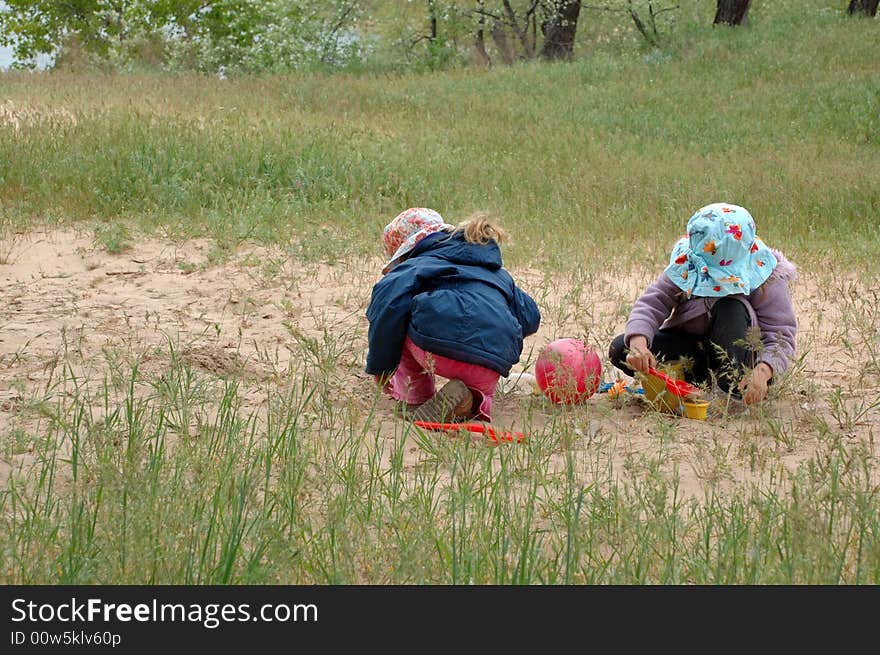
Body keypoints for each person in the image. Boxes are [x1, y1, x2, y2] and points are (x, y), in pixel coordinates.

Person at [608, 203, 797, 405]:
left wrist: (764, 370)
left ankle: (730, 389)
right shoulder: (688, 265)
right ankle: (691, 381)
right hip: (694, 351)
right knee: (622, 347)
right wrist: (638, 345)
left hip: (744, 359)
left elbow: (780, 336)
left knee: (730, 306)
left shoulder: (767, 277)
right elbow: (652, 304)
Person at [366, 207, 541, 423]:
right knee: (479, 380)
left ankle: (414, 399)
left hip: (438, 352)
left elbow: (386, 309)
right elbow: (531, 316)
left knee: (398, 315)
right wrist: (493, 336)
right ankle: (474, 399)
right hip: (492, 361)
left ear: (405, 253)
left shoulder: (415, 266)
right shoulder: (497, 274)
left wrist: (381, 367)